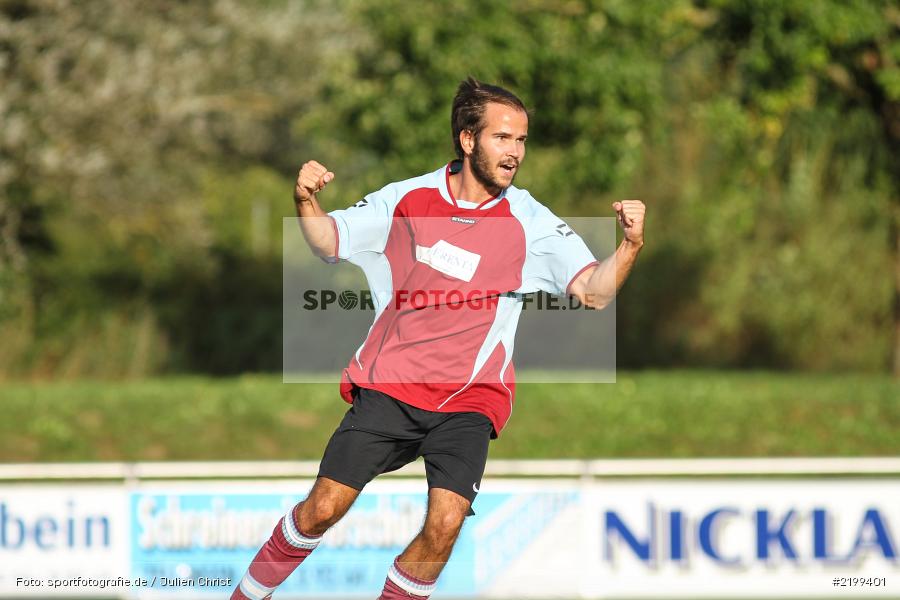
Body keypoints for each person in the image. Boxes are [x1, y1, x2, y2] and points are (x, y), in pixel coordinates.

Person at [232, 77, 645, 600]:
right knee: (322, 511)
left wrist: (630, 246)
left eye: (521, 140)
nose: (515, 152)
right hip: (391, 384)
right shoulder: (407, 198)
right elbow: (328, 241)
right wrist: (304, 200)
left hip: (470, 398)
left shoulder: (531, 221)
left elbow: (594, 292)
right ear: (468, 140)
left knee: (444, 526)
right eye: (502, 138)